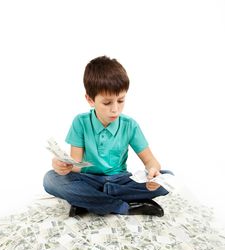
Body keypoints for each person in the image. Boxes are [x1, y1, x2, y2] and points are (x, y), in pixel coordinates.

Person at [43, 56, 173, 216]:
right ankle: (124, 207)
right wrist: (63, 167)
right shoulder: (80, 122)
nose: (115, 109)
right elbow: (76, 165)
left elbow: (150, 161)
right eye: (107, 103)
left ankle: (87, 202)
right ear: (90, 99)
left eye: (121, 100)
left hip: (120, 181)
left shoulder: (129, 125)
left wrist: (154, 173)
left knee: (168, 178)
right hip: (89, 180)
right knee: (50, 179)